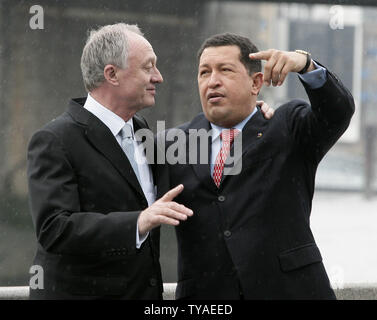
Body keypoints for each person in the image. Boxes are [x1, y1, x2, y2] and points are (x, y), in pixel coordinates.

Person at [157, 33, 355, 299]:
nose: (212, 81)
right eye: (204, 72)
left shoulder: (287, 127)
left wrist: (306, 65)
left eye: (225, 70)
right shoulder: (172, 144)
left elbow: (338, 111)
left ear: (256, 82)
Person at [26, 23, 194, 300]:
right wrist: (137, 223)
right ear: (112, 74)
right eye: (148, 67)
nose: (159, 77)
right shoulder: (55, 139)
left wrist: (248, 117)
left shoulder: (141, 131)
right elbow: (54, 230)